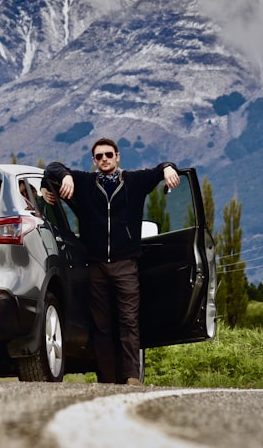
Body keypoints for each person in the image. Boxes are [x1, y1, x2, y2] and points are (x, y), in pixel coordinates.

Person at [42, 137, 180, 385]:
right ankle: (106, 380)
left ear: (118, 157)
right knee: (101, 326)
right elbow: (51, 168)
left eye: (108, 155)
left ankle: (131, 378)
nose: (104, 159)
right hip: (95, 265)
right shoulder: (83, 183)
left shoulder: (135, 182)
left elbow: (160, 169)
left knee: (128, 322)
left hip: (126, 264)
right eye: (99, 156)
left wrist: (169, 168)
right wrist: (63, 178)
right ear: (93, 161)